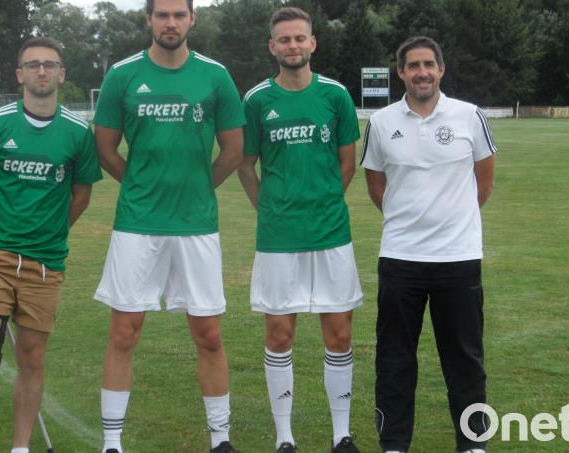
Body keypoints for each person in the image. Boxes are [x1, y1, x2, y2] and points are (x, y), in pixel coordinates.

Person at [91, 0, 245, 451]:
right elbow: (105, 150)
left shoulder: (215, 76)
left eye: (180, 14)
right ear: (149, 21)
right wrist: (141, 185)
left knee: (209, 334)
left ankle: (221, 440)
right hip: (137, 224)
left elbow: (233, 152)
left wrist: (198, 187)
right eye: (163, 15)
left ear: (193, 19)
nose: (171, 22)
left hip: (196, 225)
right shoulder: (122, 75)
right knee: (124, 331)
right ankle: (112, 442)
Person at [0, 37, 102, 453]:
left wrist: (53, 231)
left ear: (62, 74)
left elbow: (82, 196)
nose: (42, 71)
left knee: (33, 359)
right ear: (19, 75)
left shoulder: (77, 133)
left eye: (50, 64)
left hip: (44, 264)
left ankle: (20, 447)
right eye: (33, 65)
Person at [360, 36, 496, 453]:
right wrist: (409, 220)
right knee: (395, 360)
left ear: (441, 69)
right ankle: (395, 444)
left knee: (465, 359)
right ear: (401, 72)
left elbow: (483, 180)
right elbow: (376, 184)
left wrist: (454, 222)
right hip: (401, 259)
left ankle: (473, 443)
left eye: (428, 64)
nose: (422, 72)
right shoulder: (381, 122)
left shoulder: (470, 116)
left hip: (458, 259)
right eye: (413, 65)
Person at [237, 7, 363, 453]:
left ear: (313, 43)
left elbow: (347, 163)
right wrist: (269, 207)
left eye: (299, 38)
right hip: (278, 238)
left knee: (340, 333)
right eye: (283, 40)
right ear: (273, 47)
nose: (292, 46)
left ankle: (341, 433)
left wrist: (324, 199)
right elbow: (245, 165)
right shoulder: (256, 101)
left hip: (330, 234)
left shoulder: (335, 96)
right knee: (279, 334)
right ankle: (284, 437)